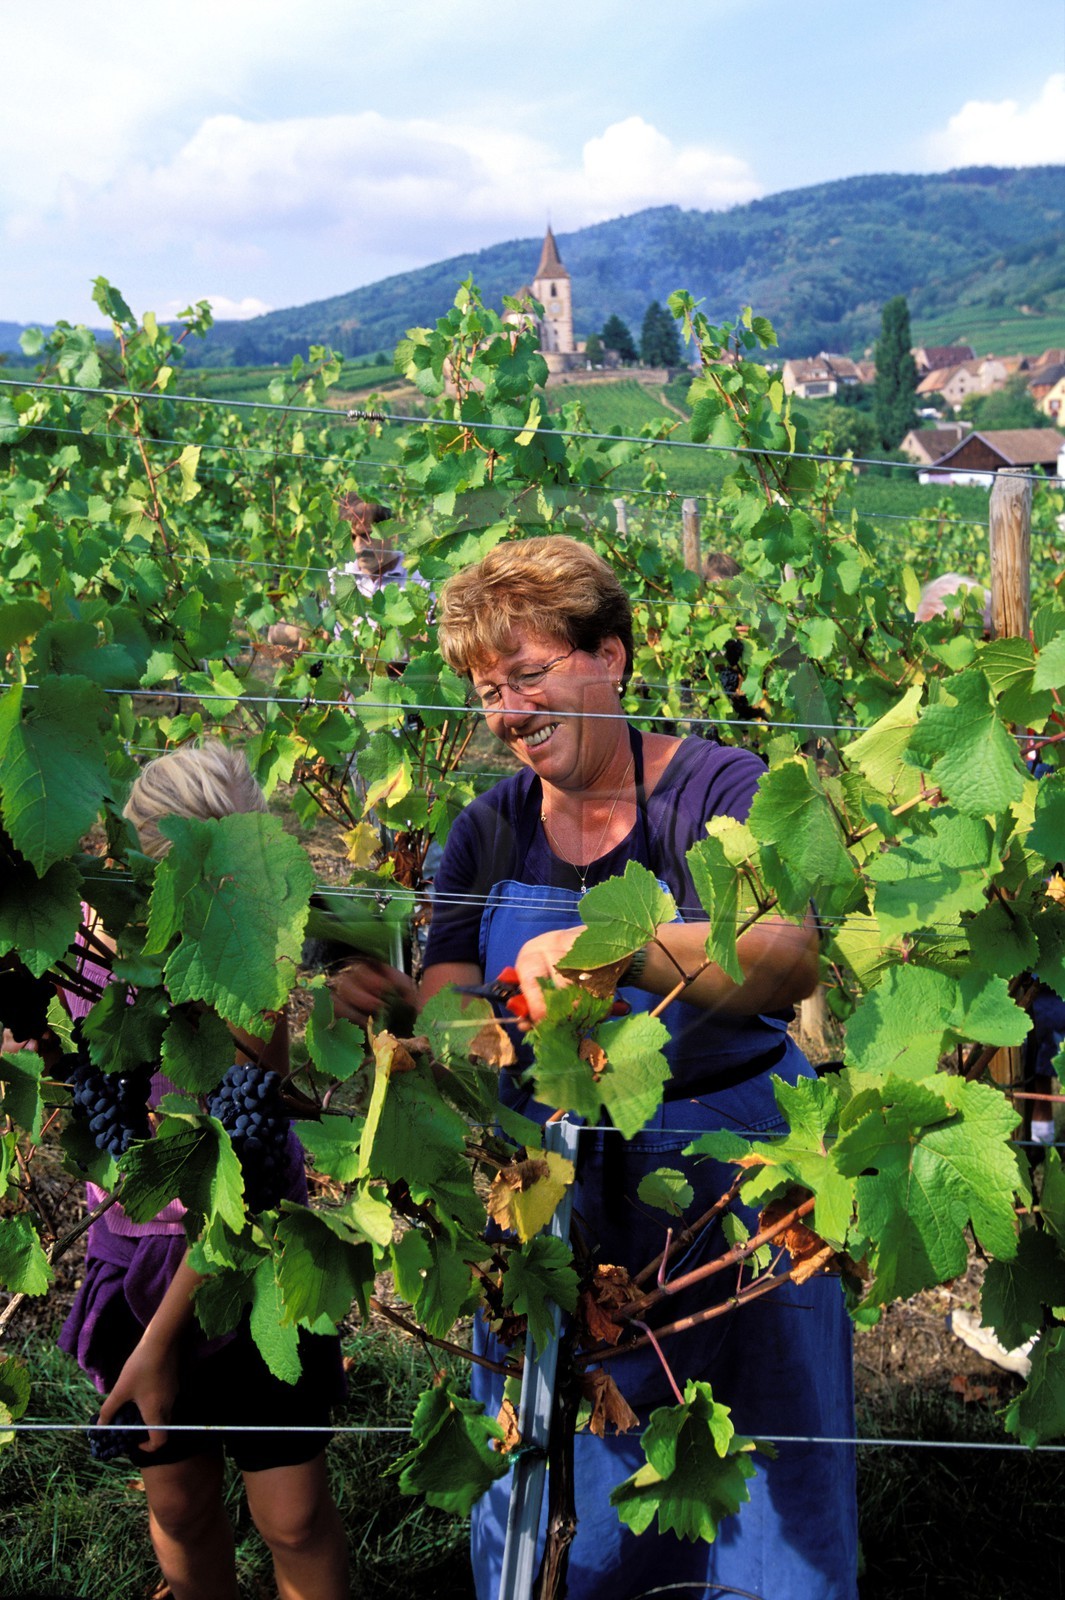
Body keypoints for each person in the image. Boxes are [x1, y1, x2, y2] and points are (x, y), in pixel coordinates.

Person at [420, 536, 857, 1600]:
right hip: (557, 1192)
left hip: (733, 1178)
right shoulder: (485, 831)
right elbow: (443, 993)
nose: (509, 711)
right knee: (573, 1482)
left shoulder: (720, 787)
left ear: (610, 656)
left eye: (529, 674)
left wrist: (616, 948)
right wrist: (477, 1025)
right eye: (487, 690)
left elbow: (786, 954)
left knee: (761, 1472)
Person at [58, 743, 349, 1600]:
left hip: (250, 1262)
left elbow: (239, 1189)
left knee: (292, 1516)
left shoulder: (248, 972)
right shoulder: (81, 945)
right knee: (178, 1503)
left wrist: (157, 1346)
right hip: (133, 1260)